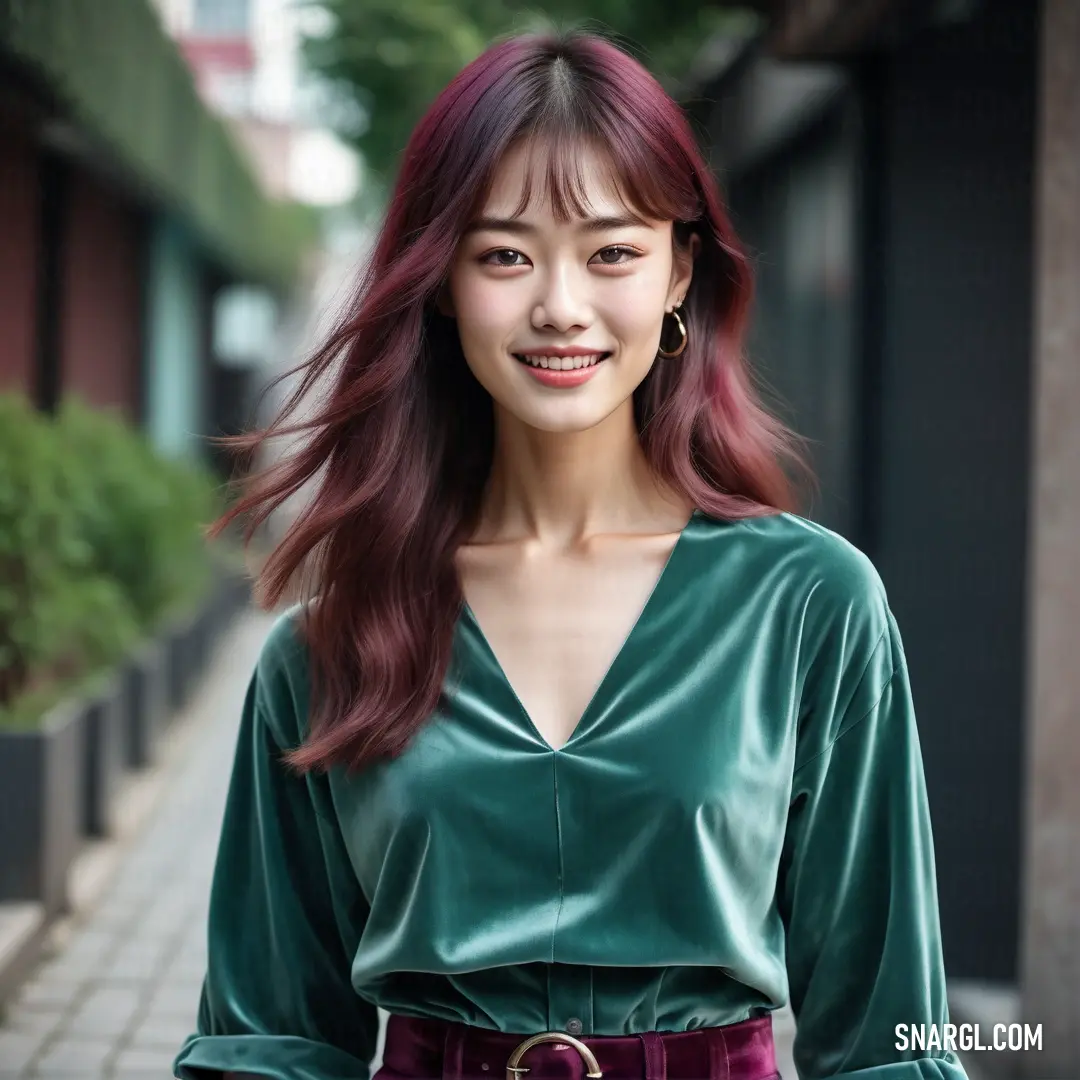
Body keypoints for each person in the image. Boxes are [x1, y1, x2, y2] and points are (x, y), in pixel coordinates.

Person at [173, 27, 969, 1080]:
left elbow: (889, 1039)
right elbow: (264, 1044)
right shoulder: (328, 644)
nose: (559, 305)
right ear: (444, 281)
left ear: (680, 271)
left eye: (612, 252)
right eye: (505, 253)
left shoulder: (812, 607)